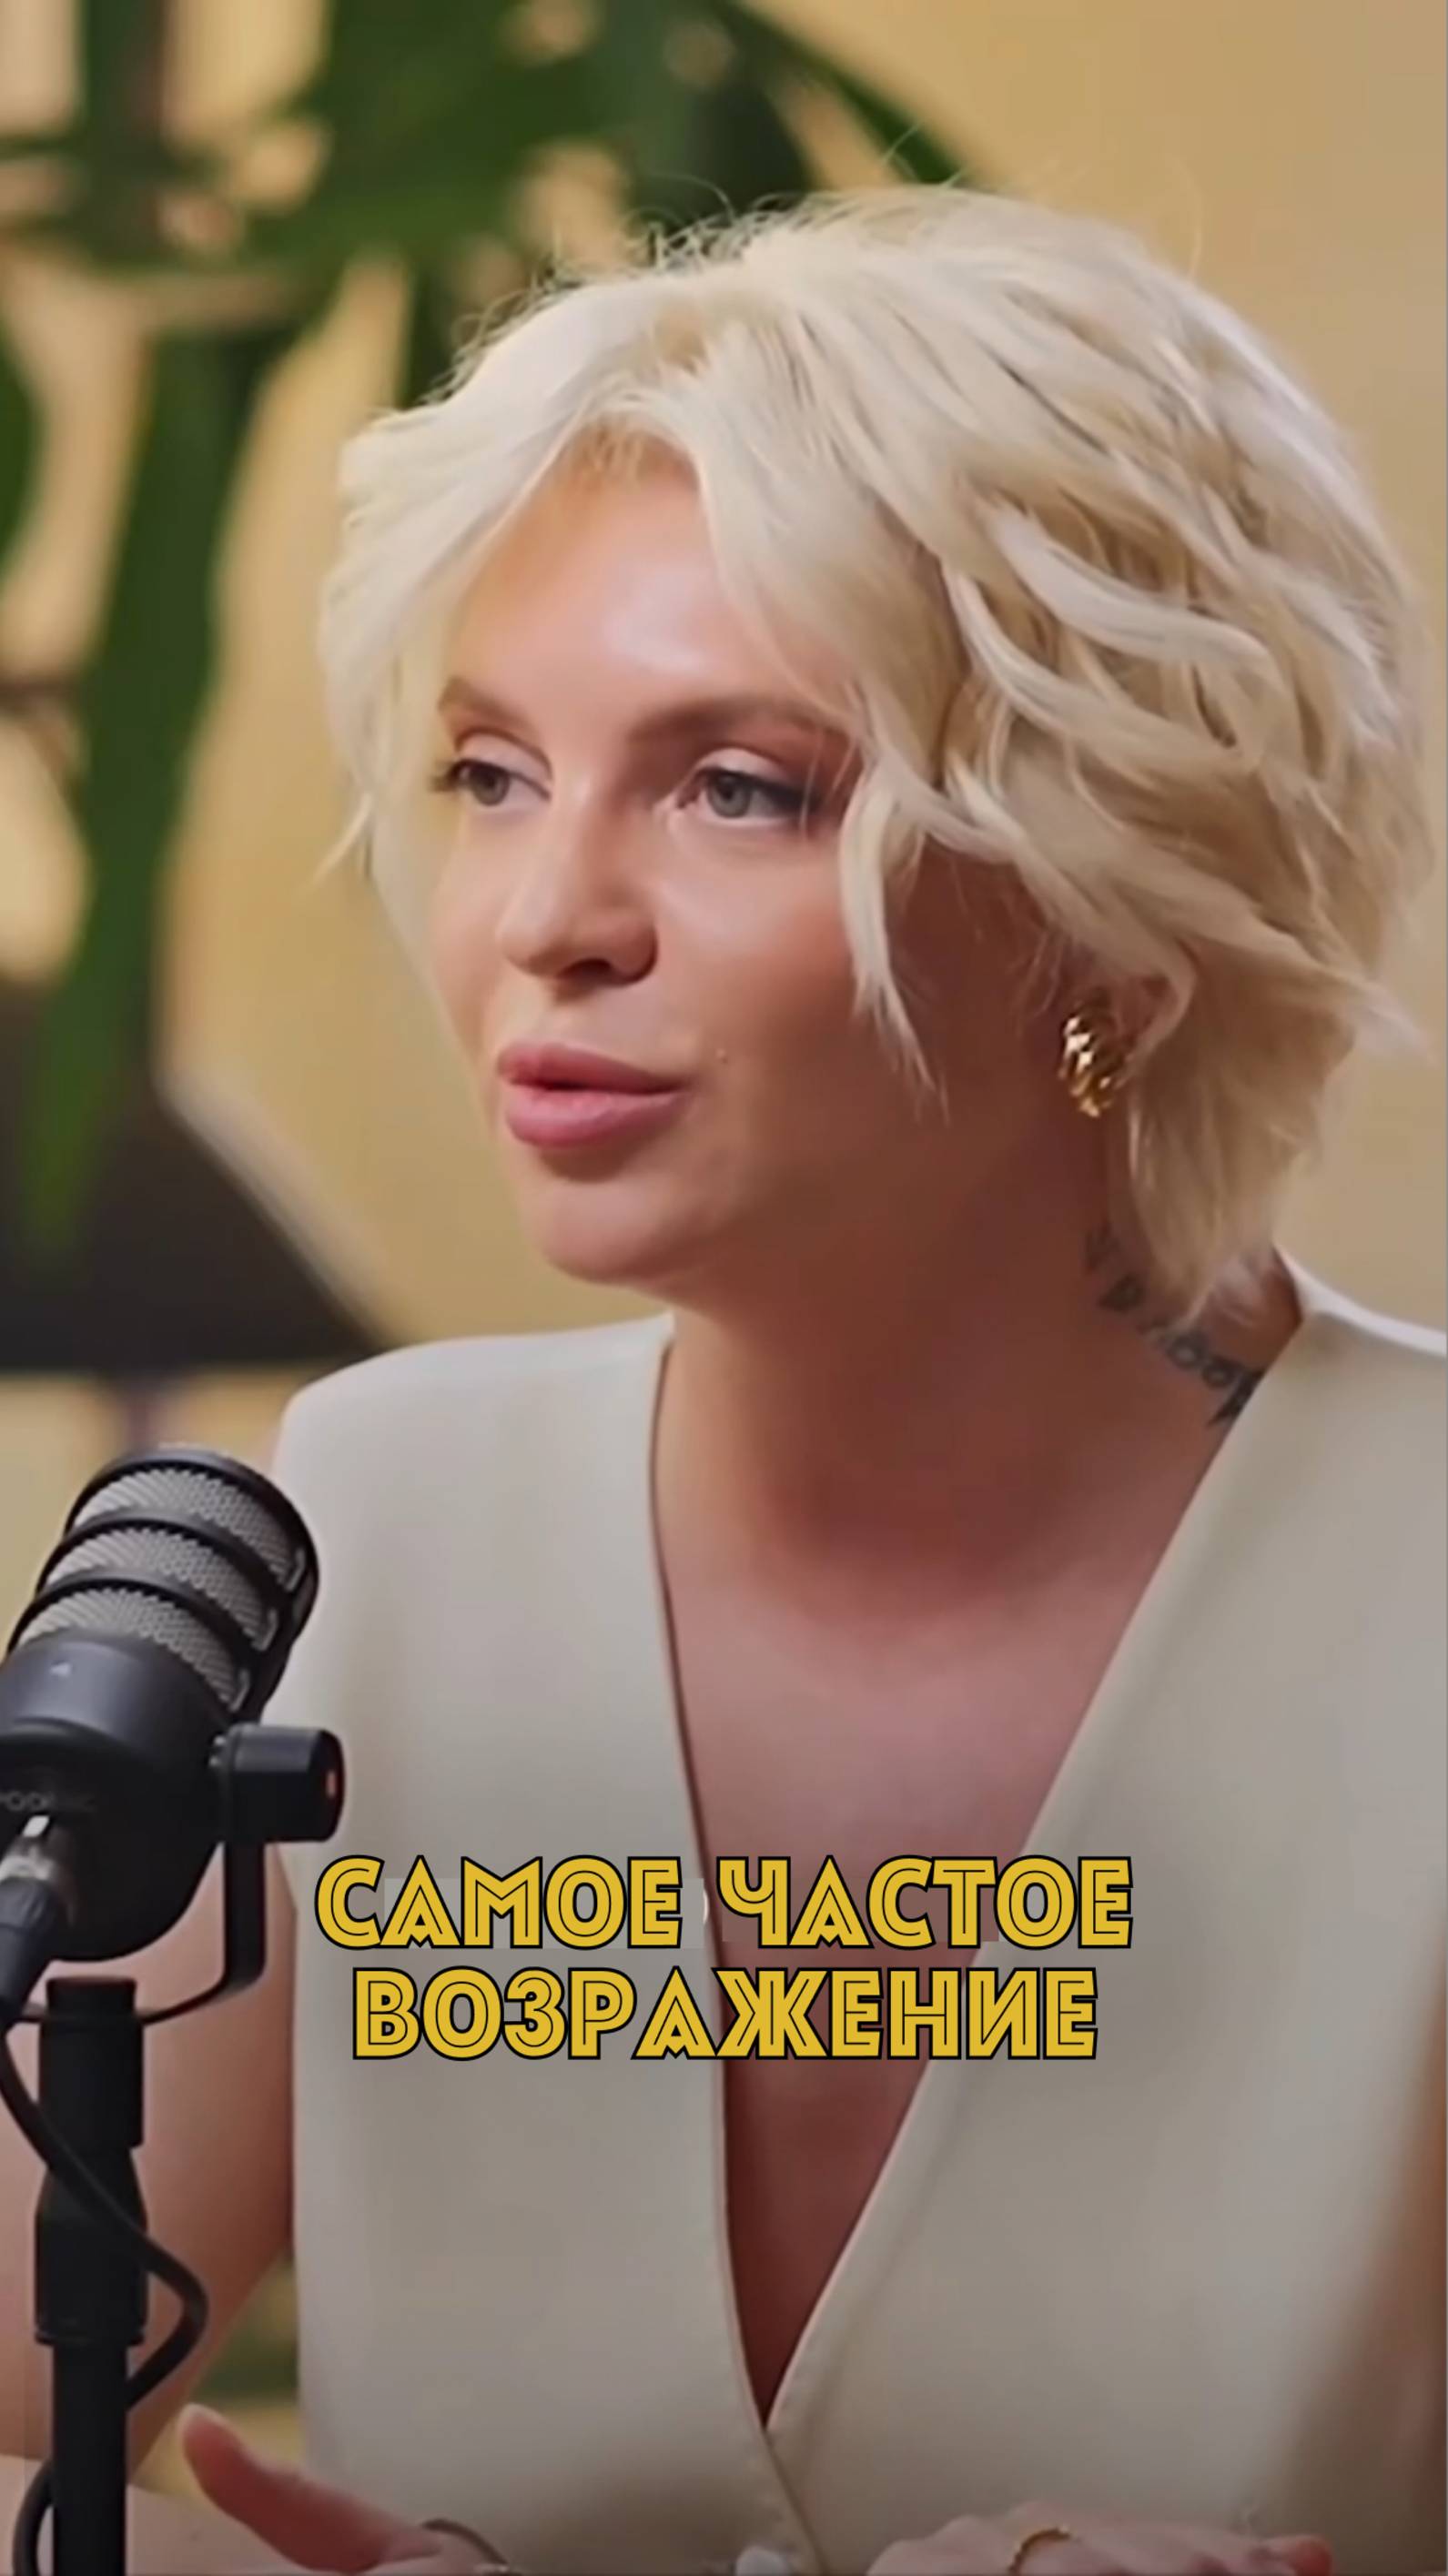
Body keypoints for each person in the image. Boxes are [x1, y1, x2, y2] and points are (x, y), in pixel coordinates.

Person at [2, 186, 1441, 2576]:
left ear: (1119, 917)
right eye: (491, 772)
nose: (546, 917)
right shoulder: (364, 1531)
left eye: (737, 785)